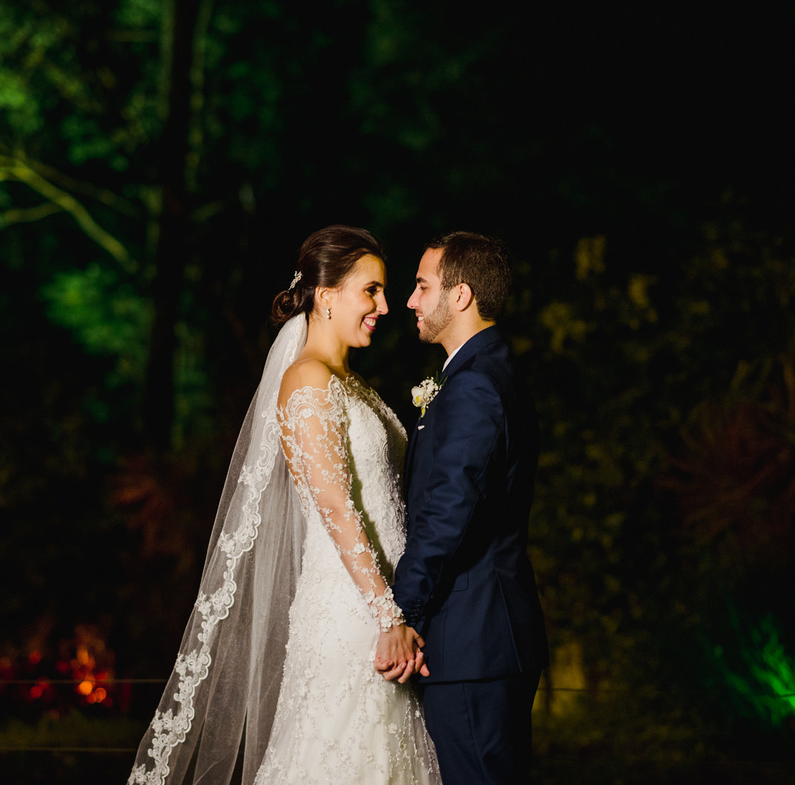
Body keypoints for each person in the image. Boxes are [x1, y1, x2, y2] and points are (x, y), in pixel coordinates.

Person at [128, 225, 441, 785]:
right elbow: (335, 508)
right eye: (371, 291)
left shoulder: (350, 383)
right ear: (326, 296)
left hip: (383, 609)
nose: (385, 306)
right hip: (354, 614)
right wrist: (388, 616)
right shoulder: (306, 383)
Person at [382, 231, 549, 784]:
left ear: (461, 295)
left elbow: (447, 515)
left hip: (474, 644)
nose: (410, 300)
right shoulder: (487, 373)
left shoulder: (474, 386)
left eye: (422, 285)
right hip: (483, 639)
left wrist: (400, 615)